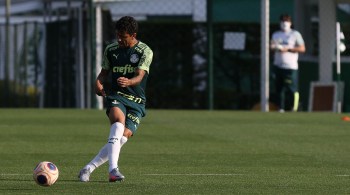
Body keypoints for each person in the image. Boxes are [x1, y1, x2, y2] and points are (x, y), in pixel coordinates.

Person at [78, 16, 153, 182]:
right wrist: (98, 83)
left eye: (123, 36)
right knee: (118, 122)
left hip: (137, 100)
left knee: (123, 137)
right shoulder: (111, 50)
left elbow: (140, 76)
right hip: (116, 95)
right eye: (117, 35)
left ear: (133, 35)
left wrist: (129, 81)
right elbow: (103, 73)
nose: (119, 39)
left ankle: (88, 168)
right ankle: (113, 170)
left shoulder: (145, 51)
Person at [270, 14, 305, 112]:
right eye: (283, 21)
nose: (284, 23)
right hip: (278, 65)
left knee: (291, 88)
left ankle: (294, 107)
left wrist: (288, 49)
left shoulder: (295, 34)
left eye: (287, 21)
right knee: (279, 88)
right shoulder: (276, 34)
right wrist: (276, 48)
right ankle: (280, 108)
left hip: (290, 67)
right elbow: (272, 46)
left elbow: (302, 48)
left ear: (290, 22)